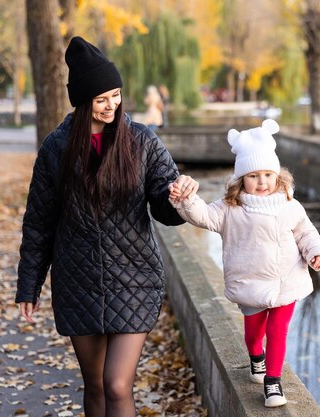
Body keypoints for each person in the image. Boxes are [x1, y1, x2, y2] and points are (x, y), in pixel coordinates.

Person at [15, 36, 196, 417]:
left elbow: (164, 205)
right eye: (101, 99)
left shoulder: (143, 141)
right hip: (77, 281)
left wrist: (178, 198)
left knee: (117, 385)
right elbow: (39, 222)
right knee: (95, 385)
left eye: (115, 94)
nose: (111, 104)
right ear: (82, 102)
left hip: (134, 277)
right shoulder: (56, 148)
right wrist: (28, 284)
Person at [168, 119, 320, 408]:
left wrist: (316, 252)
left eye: (268, 174)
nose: (263, 182)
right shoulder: (230, 209)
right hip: (251, 281)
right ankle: (256, 357)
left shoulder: (289, 204)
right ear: (241, 178)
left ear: (278, 175)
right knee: (255, 332)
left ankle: (273, 383)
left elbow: (306, 232)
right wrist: (187, 201)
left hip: (286, 280)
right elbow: (203, 216)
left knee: (277, 330)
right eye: (254, 176)